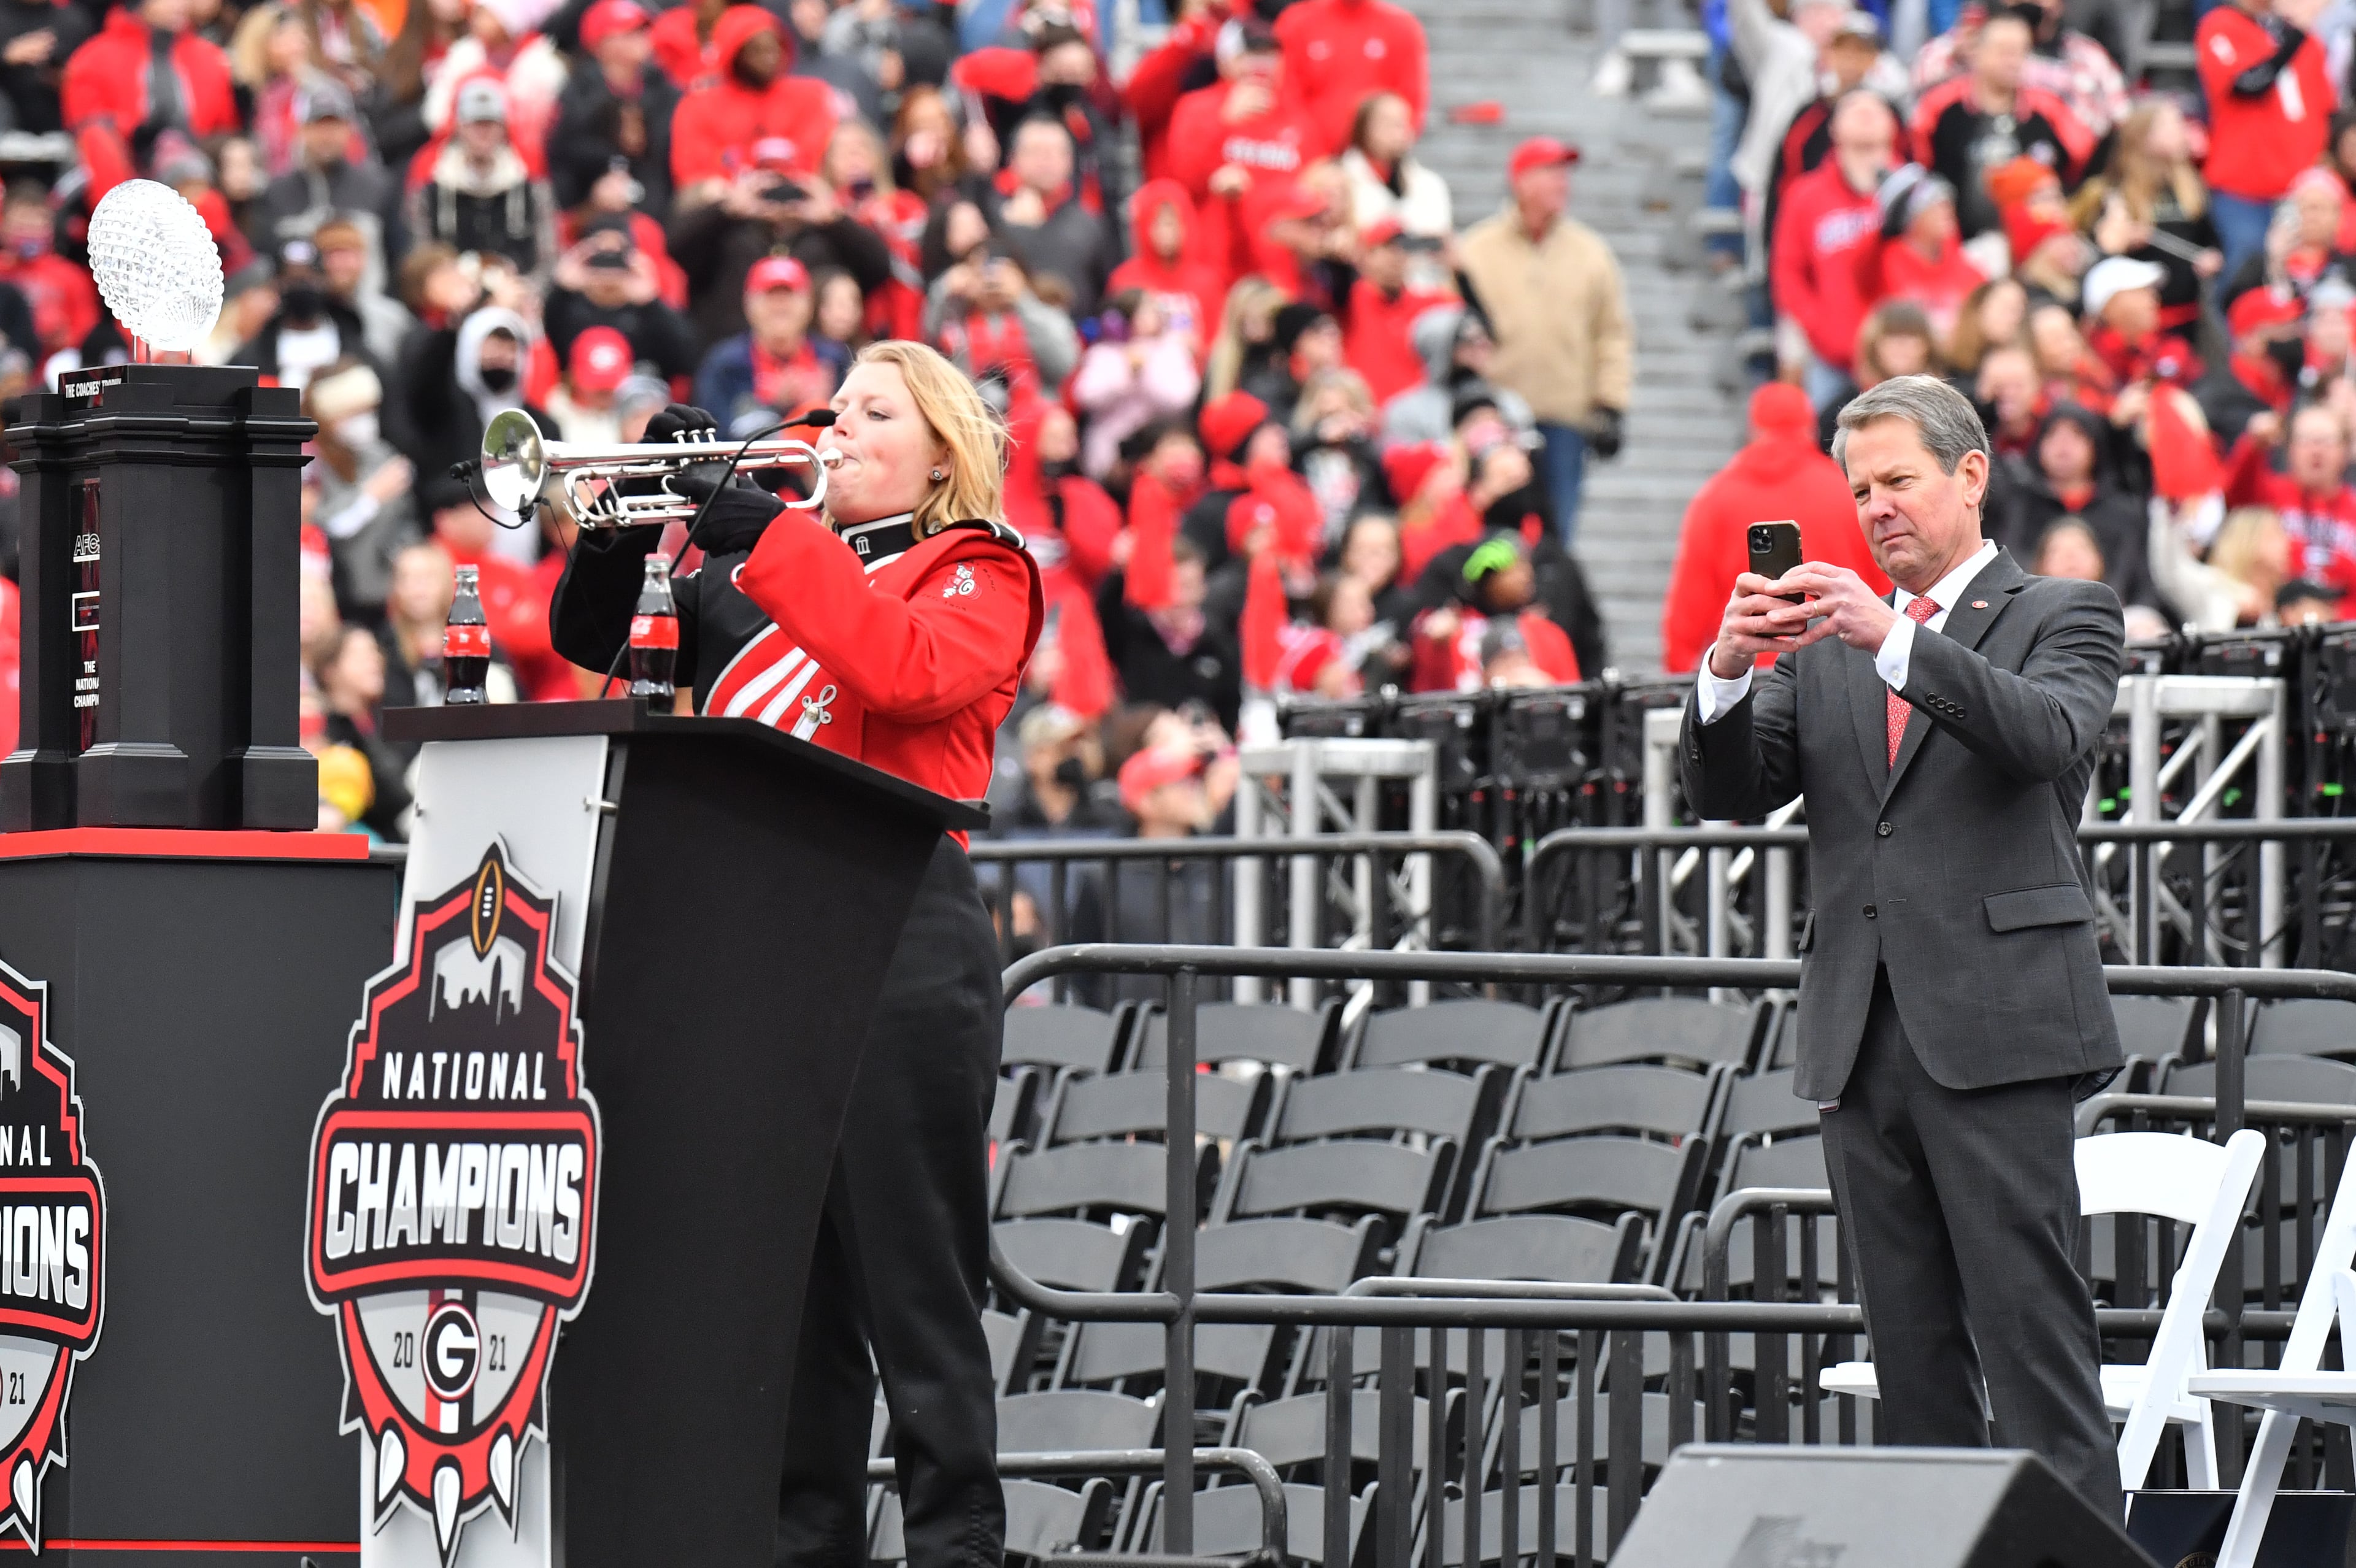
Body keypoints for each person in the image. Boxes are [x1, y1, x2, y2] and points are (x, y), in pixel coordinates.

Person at [550, 344, 1041, 1568]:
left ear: (943, 453)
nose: (836, 429)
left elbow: (901, 669)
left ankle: (955, 1547)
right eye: (831, 410)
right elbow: (598, 647)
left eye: (875, 413)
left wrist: (764, 533)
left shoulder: (980, 568)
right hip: (756, 942)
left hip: (897, 934)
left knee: (912, 1289)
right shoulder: (756, 566)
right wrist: (623, 529)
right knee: (786, 1300)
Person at [1684, 373, 2126, 1520]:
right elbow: (1731, 792)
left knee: (2035, 1346)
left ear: (1971, 475)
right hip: (1860, 1033)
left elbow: (2045, 739)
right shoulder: (1825, 646)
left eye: (1900, 482)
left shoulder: (2063, 612)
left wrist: (1898, 644)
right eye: (1860, 489)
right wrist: (1727, 669)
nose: (1877, 508)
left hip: (1999, 1028)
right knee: (1911, 1357)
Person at [1455, 135, 1631, 544]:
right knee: (1491, 530)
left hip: (1564, 415)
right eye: (1552, 173)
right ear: (1522, 181)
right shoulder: (1477, 250)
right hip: (1494, 419)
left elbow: (1612, 334)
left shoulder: (1590, 253)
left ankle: (1549, 607)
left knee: (1557, 533)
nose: (1563, 184)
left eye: (1564, 174)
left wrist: (1611, 404)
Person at [1663, 380, 1890, 673]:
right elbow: (1884, 585)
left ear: (1753, 429)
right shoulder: (1847, 491)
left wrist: (1682, 678)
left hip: (1750, 670)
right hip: (1841, 668)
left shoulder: (1715, 497)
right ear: (1811, 429)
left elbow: (1689, 605)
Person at [2197, 0, 2335, 290]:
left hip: (2300, 190)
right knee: (2246, 274)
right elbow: (2249, 84)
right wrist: (2296, 34)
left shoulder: (2307, 39)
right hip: (2243, 188)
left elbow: (2326, 109)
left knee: (2305, 283)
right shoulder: (2221, 25)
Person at [1771, 92, 1893, 409]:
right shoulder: (1805, 195)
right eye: (1853, 109)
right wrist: (1819, 328)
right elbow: (1788, 272)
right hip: (1831, 352)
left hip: (1900, 351)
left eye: (1876, 109)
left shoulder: (1915, 189)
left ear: (1893, 127)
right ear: (1834, 129)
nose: (1866, 113)